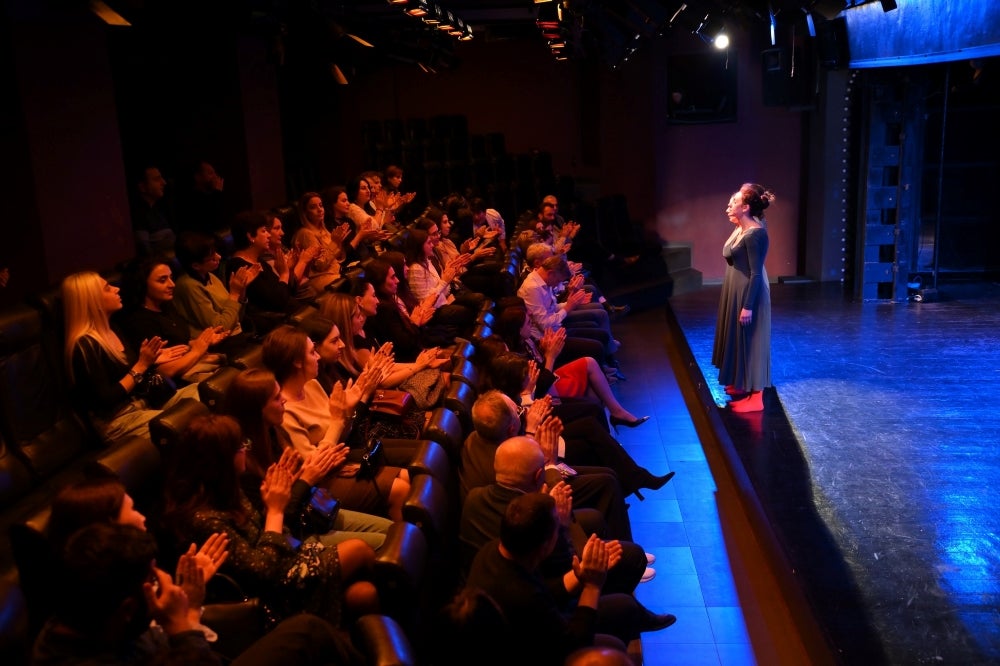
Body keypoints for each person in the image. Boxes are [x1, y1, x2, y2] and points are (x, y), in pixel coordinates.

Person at [32, 522, 365, 666]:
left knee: (362, 594)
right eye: (152, 579)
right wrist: (183, 624)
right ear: (128, 607)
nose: (162, 582)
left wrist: (190, 610)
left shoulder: (97, 615)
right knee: (305, 631)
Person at [161, 413, 380, 628]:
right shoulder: (203, 519)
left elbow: (271, 535)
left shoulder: (227, 488)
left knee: (365, 594)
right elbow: (263, 572)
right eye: (240, 446)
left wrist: (282, 496)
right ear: (222, 459)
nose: (245, 449)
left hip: (288, 560)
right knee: (358, 550)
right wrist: (275, 510)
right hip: (273, 593)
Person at [464, 491, 676, 666]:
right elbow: (575, 644)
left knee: (624, 606)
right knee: (615, 638)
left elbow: (545, 590)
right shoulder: (521, 597)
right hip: (529, 653)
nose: (561, 530)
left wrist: (580, 573)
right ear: (546, 546)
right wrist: (592, 586)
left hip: (530, 633)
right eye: (558, 528)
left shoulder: (495, 550)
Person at [222, 367, 393, 551]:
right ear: (257, 409)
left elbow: (296, 481)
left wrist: (316, 471)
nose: (284, 400)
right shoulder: (243, 460)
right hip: (293, 534)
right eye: (276, 398)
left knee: (393, 532)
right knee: (387, 543)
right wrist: (308, 477)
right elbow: (276, 518)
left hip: (313, 507)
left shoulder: (271, 432)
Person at [459, 430, 650, 594]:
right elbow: (561, 561)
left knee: (595, 518)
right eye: (543, 468)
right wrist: (561, 522)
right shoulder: (529, 514)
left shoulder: (474, 496)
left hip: (502, 576)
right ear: (537, 476)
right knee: (633, 556)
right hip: (547, 584)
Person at [260, 324, 412, 520]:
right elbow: (315, 465)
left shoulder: (312, 385)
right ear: (297, 362)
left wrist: (349, 409)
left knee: (408, 476)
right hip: (321, 484)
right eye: (313, 352)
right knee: (400, 489)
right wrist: (338, 418)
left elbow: (343, 435)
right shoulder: (285, 410)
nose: (318, 357)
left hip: (342, 460)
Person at [62, 271, 200, 444]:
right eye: (107, 289)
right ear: (92, 301)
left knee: (200, 394)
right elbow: (105, 399)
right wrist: (141, 365)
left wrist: (151, 360)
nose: (116, 290)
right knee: (184, 425)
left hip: (143, 402)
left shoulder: (112, 328)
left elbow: (129, 371)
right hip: (118, 420)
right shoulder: (84, 346)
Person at [117, 255, 229, 385]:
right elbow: (165, 371)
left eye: (171, 278)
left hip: (192, 367)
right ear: (142, 284)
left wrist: (202, 341)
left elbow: (178, 345)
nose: (172, 284)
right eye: (162, 280)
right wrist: (198, 350)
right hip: (176, 384)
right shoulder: (138, 321)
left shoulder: (166, 305)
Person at [712, 183, 774, 413]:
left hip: (750, 291)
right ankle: (742, 383)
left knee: (753, 341)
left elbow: (756, 273)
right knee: (741, 339)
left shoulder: (755, 233)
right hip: (736, 288)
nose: (728, 206)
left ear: (746, 207)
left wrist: (748, 306)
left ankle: (756, 397)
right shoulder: (742, 227)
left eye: (734, 202)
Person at [226, 210, 296, 336]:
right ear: (251, 236)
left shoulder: (259, 260)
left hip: (282, 316)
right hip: (268, 326)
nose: (268, 235)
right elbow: (277, 302)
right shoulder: (240, 266)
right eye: (264, 231)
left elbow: (283, 292)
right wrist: (284, 274)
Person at [291, 191, 349, 299]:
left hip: (335, 273)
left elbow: (339, 259)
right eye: (313, 207)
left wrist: (339, 243)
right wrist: (334, 243)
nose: (319, 209)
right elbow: (320, 265)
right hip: (319, 278)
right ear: (305, 213)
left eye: (321, 205)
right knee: (349, 282)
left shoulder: (324, 230)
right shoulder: (305, 233)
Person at [129, 163, 177, 257]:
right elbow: (146, 252)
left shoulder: (159, 210)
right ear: (142, 187)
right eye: (157, 179)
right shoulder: (139, 215)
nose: (164, 182)